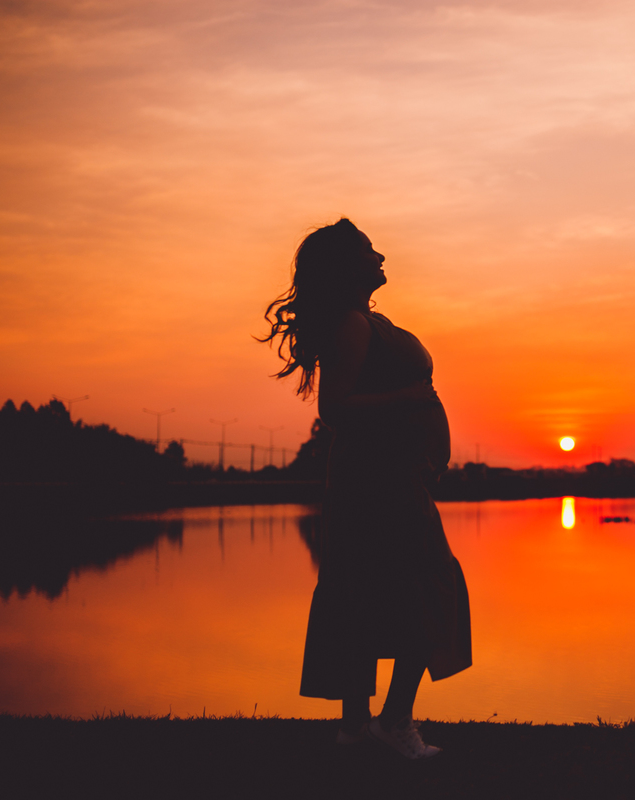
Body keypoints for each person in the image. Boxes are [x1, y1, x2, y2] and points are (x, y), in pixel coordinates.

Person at [260, 218, 471, 760]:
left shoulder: (362, 322)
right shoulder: (354, 325)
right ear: (350, 267)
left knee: (367, 588)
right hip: (379, 483)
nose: (381, 257)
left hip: (387, 477)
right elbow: (335, 410)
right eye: (370, 251)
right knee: (428, 586)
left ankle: (355, 727)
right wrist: (410, 399)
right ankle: (394, 721)